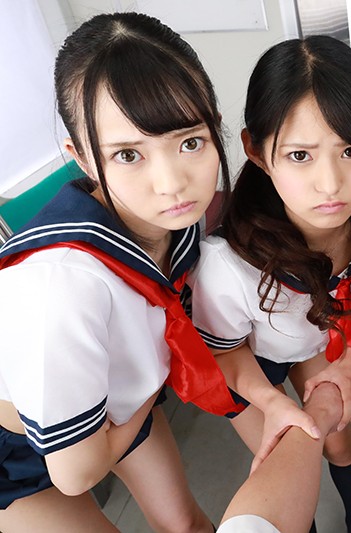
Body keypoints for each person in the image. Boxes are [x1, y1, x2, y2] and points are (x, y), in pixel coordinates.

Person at [0, 12, 241, 532]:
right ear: (82, 159)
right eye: (129, 154)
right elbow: (76, 473)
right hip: (20, 449)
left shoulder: (175, 221)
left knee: (187, 526)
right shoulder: (61, 287)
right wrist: (152, 388)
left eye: (190, 142)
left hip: (112, 406)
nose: (172, 183)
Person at [189, 35, 351, 533]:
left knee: (340, 443)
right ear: (256, 151)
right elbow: (222, 352)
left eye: (350, 150)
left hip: (314, 336)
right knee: (289, 467)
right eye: (299, 155)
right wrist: (272, 403)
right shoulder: (228, 265)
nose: (330, 184)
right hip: (249, 360)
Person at [218, 382, 344, 533]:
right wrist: (320, 412)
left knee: (340, 449)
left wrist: (320, 411)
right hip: (232, 380)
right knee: (288, 489)